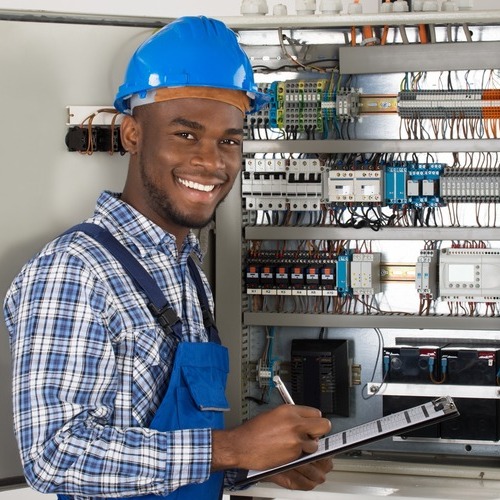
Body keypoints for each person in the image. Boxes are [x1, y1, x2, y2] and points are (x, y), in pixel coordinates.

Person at [4, 16, 332, 500]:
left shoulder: (187, 272)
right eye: (186, 134)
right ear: (133, 135)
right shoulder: (76, 270)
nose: (212, 161)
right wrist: (230, 449)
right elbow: (53, 455)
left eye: (230, 140)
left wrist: (255, 464)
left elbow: (162, 446)